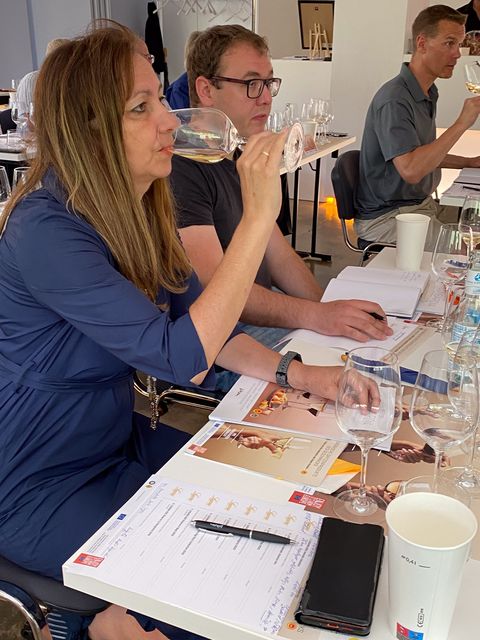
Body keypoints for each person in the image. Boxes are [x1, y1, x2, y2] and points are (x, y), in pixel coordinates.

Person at [0, 22, 371, 640]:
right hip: (38, 479)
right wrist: (257, 217)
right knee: (221, 590)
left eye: (160, 100)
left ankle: (120, 620)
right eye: (141, 108)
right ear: (90, 131)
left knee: (276, 502)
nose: (168, 122)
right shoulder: (46, 229)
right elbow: (183, 357)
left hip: (114, 443)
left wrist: (305, 375)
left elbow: (206, 325)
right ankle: (105, 627)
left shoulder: (139, 207)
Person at [170, 24, 392, 378]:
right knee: (364, 380)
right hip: (227, 343)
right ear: (206, 89)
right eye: (250, 84)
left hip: (260, 320)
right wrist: (318, 315)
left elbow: (278, 253)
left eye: (269, 83)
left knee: (375, 355)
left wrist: (331, 310)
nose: (265, 98)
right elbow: (218, 291)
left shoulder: (237, 154)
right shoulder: (181, 169)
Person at [355, 4, 480, 249]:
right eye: (449, 43)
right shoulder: (395, 99)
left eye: (459, 44)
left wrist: (469, 162)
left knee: (473, 225)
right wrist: (461, 124)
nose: (457, 54)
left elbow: (423, 154)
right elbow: (411, 169)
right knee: (471, 247)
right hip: (388, 218)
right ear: (422, 43)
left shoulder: (427, 92)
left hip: (419, 206)